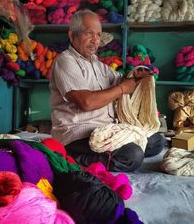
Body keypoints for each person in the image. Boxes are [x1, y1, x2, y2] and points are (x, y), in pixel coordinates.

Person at [50, 9, 165, 171]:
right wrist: (122, 88)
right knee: (133, 154)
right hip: (77, 135)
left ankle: (107, 154)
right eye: (89, 33)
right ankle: (70, 156)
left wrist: (137, 75)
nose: (95, 40)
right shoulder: (65, 61)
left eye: (98, 35)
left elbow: (123, 81)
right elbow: (86, 103)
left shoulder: (99, 66)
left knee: (156, 141)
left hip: (105, 130)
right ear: (72, 35)